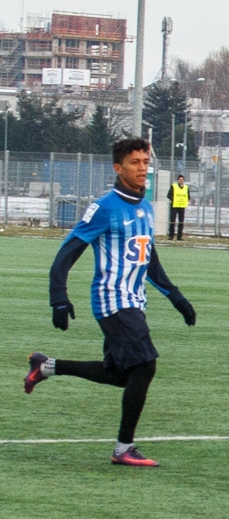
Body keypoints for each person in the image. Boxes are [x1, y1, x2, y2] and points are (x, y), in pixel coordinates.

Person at [25, 137, 197, 467]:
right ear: (118, 168)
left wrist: (175, 296)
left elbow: (150, 258)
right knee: (145, 366)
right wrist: (58, 297)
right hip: (113, 300)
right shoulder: (105, 207)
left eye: (146, 162)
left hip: (135, 300)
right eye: (135, 163)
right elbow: (68, 250)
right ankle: (123, 448)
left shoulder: (145, 206)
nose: (143, 168)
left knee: (121, 375)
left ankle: (47, 366)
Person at [166, 173, 189, 240]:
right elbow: (169, 195)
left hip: (182, 207)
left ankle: (179, 236)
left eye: (182, 179)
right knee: (172, 221)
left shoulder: (186, 187)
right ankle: (171, 235)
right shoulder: (173, 186)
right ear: (178, 180)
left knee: (181, 222)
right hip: (174, 206)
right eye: (180, 179)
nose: (181, 180)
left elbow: (188, 196)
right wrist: (174, 199)